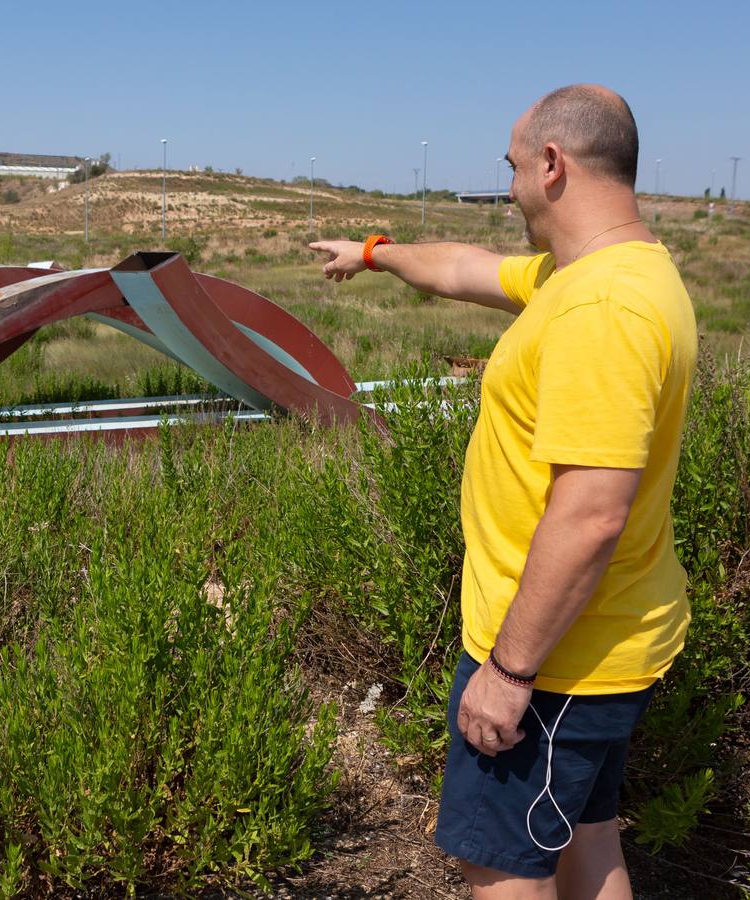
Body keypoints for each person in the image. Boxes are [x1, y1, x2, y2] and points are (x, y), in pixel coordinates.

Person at [309, 84, 697, 899]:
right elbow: (459, 267)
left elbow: (591, 512)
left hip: (554, 659)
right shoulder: (598, 274)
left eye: (513, 165)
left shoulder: (602, 306)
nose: (510, 182)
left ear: (553, 165)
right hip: (596, 644)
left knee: (501, 869)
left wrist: (510, 673)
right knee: (586, 844)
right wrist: (374, 250)